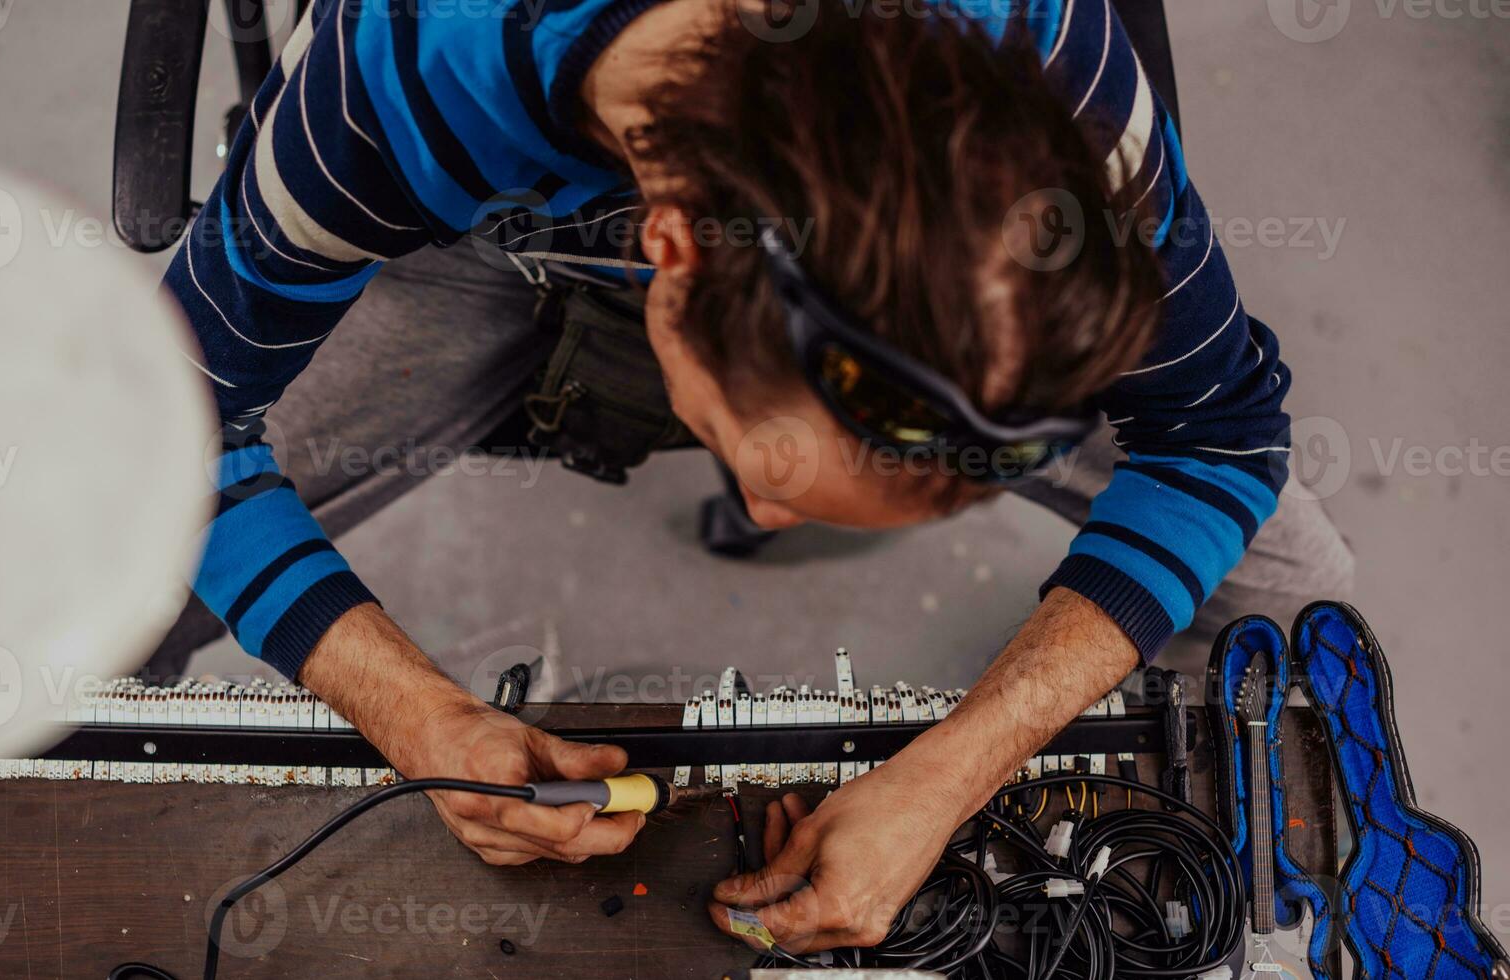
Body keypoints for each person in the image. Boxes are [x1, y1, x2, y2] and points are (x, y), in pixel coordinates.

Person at [158, 0, 1353, 953]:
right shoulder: (405, 70)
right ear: (665, 256)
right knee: (103, 551)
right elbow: (176, 426)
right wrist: (404, 703)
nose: (767, 521)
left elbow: (1216, 436)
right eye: (770, 477)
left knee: (1296, 603)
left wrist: (953, 768)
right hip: (481, 238)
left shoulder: (1060, 97)